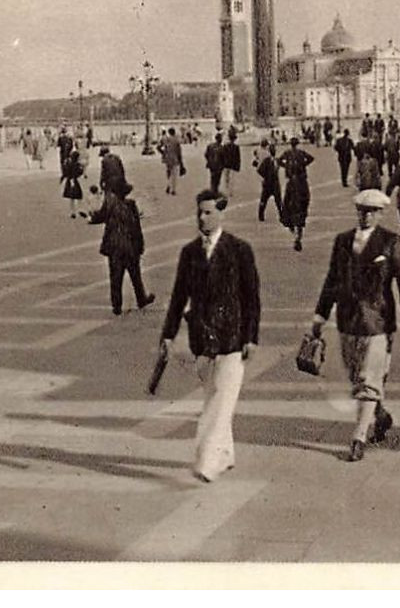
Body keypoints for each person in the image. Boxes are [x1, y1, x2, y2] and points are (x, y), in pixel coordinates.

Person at [309, 189, 400, 462]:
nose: (366, 215)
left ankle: (359, 437)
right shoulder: (342, 241)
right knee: (355, 378)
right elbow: (332, 281)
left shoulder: (391, 241)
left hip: (378, 321)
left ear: (380, 213)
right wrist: (319, 317)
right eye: (362, 210)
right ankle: (380, 416)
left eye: (372, 211)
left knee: (368, 380)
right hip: (347, 320)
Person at [159, 190, 261, 482]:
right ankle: (226, 454)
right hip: (201, 339)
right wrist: (168, 334)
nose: (202, 218)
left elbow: (251, 297)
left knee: (218, 402)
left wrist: (251, 337)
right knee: (215, 396)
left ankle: (206, 461)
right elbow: (179, 297)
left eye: (208, 212)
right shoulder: (189, 253)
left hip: (232, 338)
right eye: (199, 212)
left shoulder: (240, 250)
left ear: (221, 214)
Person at [89, 179, 154, 316]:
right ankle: (141, 299)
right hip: (130, 246)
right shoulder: (131, 205)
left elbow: (99, 217)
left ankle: (116, 306)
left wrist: (91, 216)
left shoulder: (110, 205)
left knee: (115, 278)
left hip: (114, 246)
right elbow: (136, 228)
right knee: (135, 275)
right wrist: (140, 245)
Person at [278, 137, 315, 251]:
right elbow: (311, 158)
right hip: (302, 182)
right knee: (302, 206)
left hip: (291, 183)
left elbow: (279, 161)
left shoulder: (287, 153)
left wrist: (286, 166)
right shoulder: (301, 153)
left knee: (287, 207)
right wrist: (303, 164)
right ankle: (298, 234)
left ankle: (294, 233)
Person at [255, 139, 283, 222]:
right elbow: (260, 170)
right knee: (267, 200)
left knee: (275, 200)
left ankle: (280, 215)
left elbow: (259, 170)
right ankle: (261, 215)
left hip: (271, 183)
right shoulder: (271, 160)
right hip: (271, 183)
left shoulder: (274, 160)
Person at [61, 145, 89, 218]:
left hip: (69, 181)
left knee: (71, 198)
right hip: (75, 181)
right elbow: (80, 172)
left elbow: (65, 172)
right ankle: (80, 209)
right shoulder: (77, 165)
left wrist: (63, 178)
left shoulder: (68, 164)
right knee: (79, 195)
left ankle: (72, 212)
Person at [159, 128, 184, 195]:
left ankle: (168, 184)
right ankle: (173, 189)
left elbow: (158, 147)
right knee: (174, 174)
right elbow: (179, 152)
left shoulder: (166, 140)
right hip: (175, 159)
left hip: (167, 159)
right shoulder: (176, 141)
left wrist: (163, 153)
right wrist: (181, 163)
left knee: (169, 172)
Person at [221, 127, 242, 199]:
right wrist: (238, 166)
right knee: (232, 179)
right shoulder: (236, 147)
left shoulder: (225, 146)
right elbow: (238, 158)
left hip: (226, 164)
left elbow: (222, 156)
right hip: (233, 165)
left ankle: (226, 191)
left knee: (226, 179)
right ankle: (230, 191)